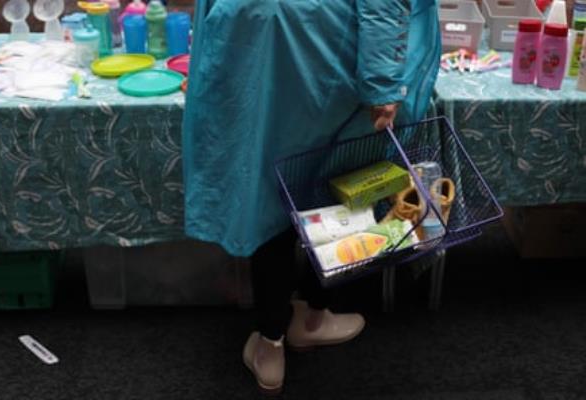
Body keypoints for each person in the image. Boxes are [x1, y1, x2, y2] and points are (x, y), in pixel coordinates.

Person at [182, 0, 441, 394]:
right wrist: (382, 85)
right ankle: (313, 318)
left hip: (250, 33)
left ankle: (271, 345)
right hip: (316, 42)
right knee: (335, 180)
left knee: (267, 186)